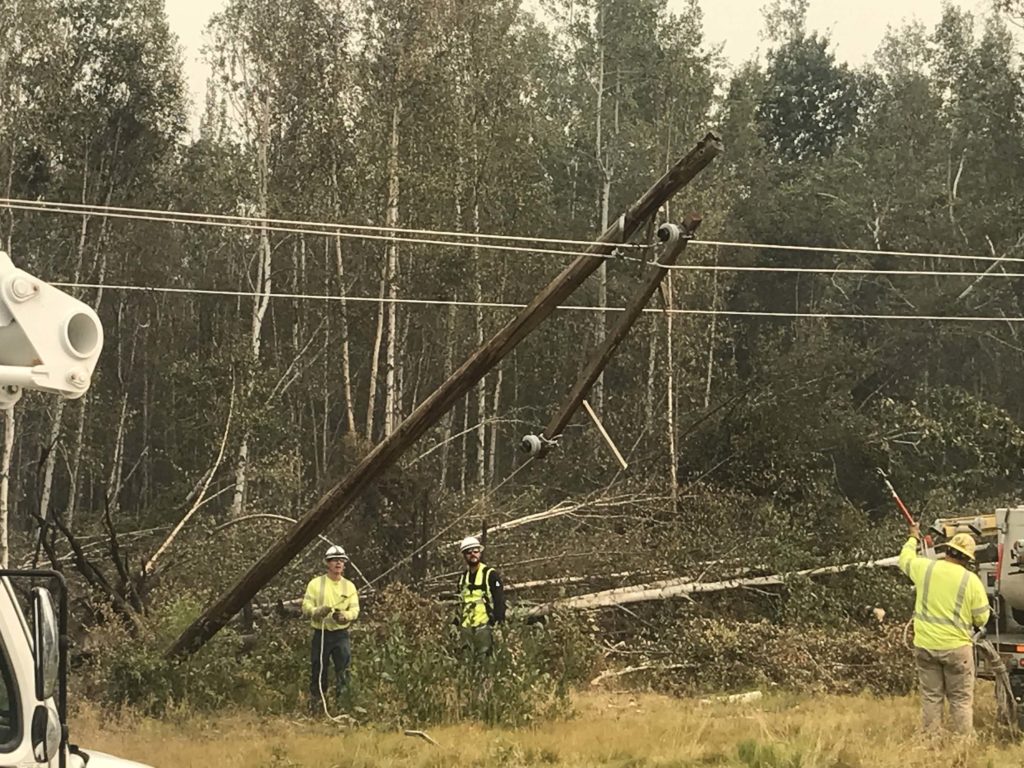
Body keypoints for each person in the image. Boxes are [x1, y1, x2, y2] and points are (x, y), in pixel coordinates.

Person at [899, 522, 990, 736]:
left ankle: (931, 741)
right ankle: (962, 747)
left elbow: (904, 560)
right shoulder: (972, 581)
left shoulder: (926, 568)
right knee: (960, 700)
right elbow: (982, 617)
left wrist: (913, 537)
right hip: (957, 650)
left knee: (931, 698)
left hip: (925, 646)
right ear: (968, 559)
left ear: (947, 549)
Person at [301, 544, 360, 715]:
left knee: (343, 671)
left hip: (341, 635)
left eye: (341, 560)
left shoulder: (349, 586)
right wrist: (316, 612)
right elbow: (306, 606)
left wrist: (345, 616)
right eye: (334, 560)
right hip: (321, 634)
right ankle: (317, 707)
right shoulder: (315, 584)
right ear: (327, 563)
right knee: (318, 670)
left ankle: (344, 707)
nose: (338, 563)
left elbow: (355, 610)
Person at [456, 535, 506, 660]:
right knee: (467, 663)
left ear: (480, 552)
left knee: (484, 662)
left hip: (485, 626)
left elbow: (499, 600)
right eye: (469, 552)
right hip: (466, 628)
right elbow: (459, 603)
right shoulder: (462, 578)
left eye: (475, 551)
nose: (473, 554)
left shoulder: (490, 574)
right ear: (464, 555)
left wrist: (499, 624)